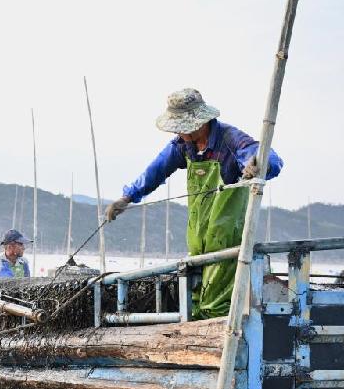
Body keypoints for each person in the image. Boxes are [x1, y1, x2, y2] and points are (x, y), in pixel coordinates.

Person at [104, 88, 283, 319]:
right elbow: (156, 170)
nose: (179, 132)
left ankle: (223, 337)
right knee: (195, 293)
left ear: (200, 121)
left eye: (182, 127)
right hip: (198, 235)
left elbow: (270, 159)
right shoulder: (183, 145)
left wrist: (257, 164)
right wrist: (127, 198)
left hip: (227, 235)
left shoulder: (230, 139)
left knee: (218, 298)